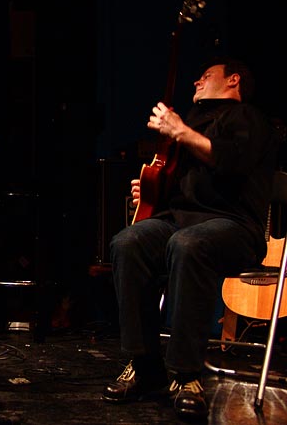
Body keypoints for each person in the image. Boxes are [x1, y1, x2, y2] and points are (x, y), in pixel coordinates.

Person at [101, 56, 280, 420]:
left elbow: (232, 164)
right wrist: (151, 190)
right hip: (180, 222)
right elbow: (183, 190)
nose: (196, 82)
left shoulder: (249, 118)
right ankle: (145, 365)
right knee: (128, 242)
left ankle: (186, 375)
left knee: (189, 244)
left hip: (234, 226)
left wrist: (180, 131)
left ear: (233, 81)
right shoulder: (190, 124)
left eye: (206, 76)